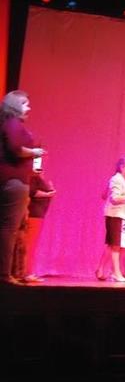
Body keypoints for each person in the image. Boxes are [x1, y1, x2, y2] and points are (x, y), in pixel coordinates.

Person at [0, 90, 45, 285]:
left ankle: (8, 273)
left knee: (10, 228)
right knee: (9, 229)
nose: (29, 108)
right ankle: (4, 275)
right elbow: (16, 149)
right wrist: (34, 151)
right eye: (25, 104)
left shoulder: (9, 123)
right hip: (14, 181)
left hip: (13, 179)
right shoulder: (12, 123)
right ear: (15, 106)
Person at [20, 168, 56, 282]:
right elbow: (32, 192)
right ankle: (26, 272)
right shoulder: (32, 177)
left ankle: (28, 271)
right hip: (33, 214)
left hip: (38, 215)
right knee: (29, 245)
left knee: (32, 245)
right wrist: (48, 194)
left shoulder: (36, 177)